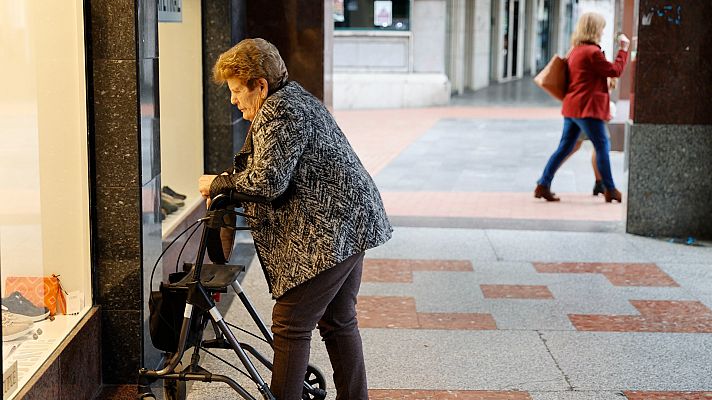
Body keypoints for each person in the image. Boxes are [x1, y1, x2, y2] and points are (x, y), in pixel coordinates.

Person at [198, 38, 392, 399]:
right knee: (338, 322)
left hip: (332, 232)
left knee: (290, 325)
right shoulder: (293, 99)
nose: (232, 98)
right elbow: (270, 168)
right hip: (351, 224)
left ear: (261, 85)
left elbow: (268, 180)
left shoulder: (280, 109)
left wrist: (219, 183)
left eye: (238, 90)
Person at [534, 12, 630, 203]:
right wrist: (624, 49)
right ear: (595, 29)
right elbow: (614, 70)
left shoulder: (576, 50)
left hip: (572, 108)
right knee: (602, 145)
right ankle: (610, 189)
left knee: (565, 147)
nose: (603, 32)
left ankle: (543, 184)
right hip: (587, 109)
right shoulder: (592, 52)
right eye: (601, 28)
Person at [557, 77, 619, 196]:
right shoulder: (600, 68)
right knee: (575, 147)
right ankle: (546, 179)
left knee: (594, 147)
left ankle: (600, 183)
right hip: (590, 114)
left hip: (587, 111)